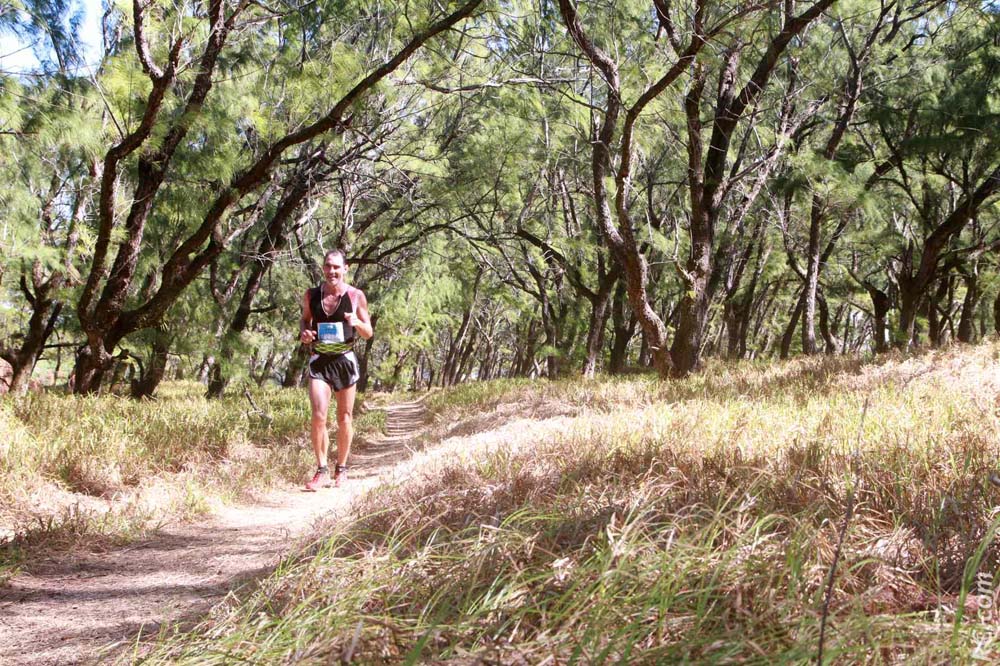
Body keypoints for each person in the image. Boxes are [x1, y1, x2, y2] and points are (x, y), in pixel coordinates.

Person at [299, 249, 373, 491]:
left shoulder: (355, 295)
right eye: (328, 266)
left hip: (345, 360)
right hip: (320, 359)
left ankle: (341, 468)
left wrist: (357, 323)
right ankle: (321, 470)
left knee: (344, 417)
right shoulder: (311, 295)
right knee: (319, 416)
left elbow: (368, 332)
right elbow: (305, 320)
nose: (332, 271)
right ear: (323, 268)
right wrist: (305, 333)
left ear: (345, 269)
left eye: (336, 267)